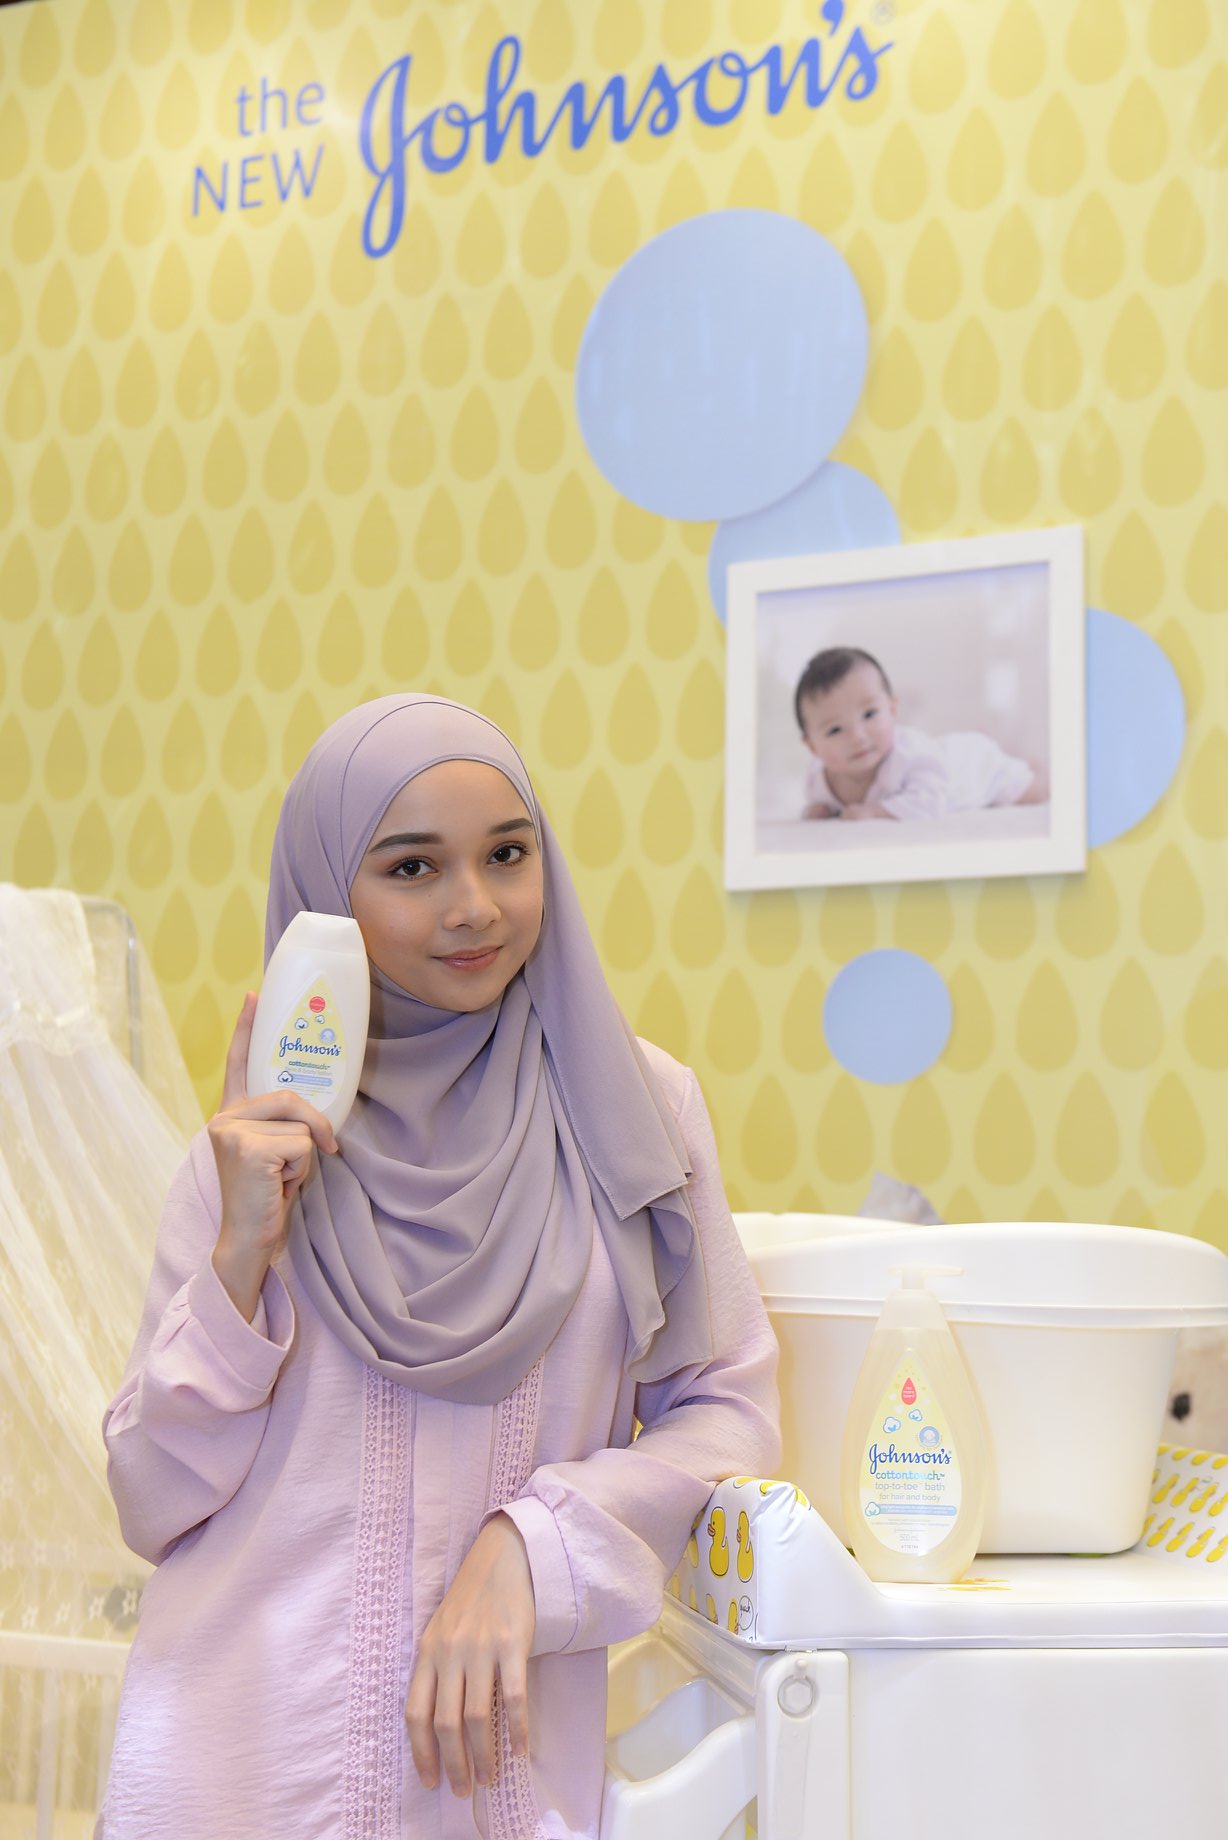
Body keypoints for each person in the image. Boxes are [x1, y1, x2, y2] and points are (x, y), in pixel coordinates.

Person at [99, 694, 780, 1840]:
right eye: (412, 867)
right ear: (329, 897)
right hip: (238, 1776)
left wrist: (534, 1546)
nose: (475, 906)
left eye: (507, 854)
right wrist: (239, 1259)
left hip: (489, 1783)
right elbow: (152, 1500)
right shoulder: (262, 1134)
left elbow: (726, 1413)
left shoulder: (638, 1113)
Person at [794, 646, 1045, 822]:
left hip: (971, 767)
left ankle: (1040, 771)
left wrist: (877, 812)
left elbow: (930, 802)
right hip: (947, 756)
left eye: (869, 714)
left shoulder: (910, 756)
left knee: (1033, 793)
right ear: (812, 747)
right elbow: (824, 804)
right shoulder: (818, 779)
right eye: (835, 730)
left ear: (892, 710)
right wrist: (819, 810)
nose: (858, 736)